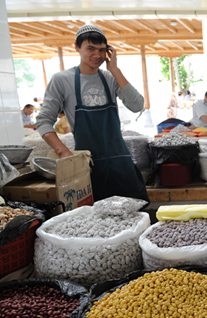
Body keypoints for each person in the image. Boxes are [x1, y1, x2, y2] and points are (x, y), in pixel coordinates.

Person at [36, 24, 148, 202]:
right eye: (90, 48)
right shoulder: (62, 80)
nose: (97, 55)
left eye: (102, 50)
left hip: (120, 163)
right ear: (77, 47)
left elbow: (137, 105)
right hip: (88, 167)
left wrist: (115, 69)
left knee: (137, 214)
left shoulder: (110, 78)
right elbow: (43, 122)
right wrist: (65, 153)